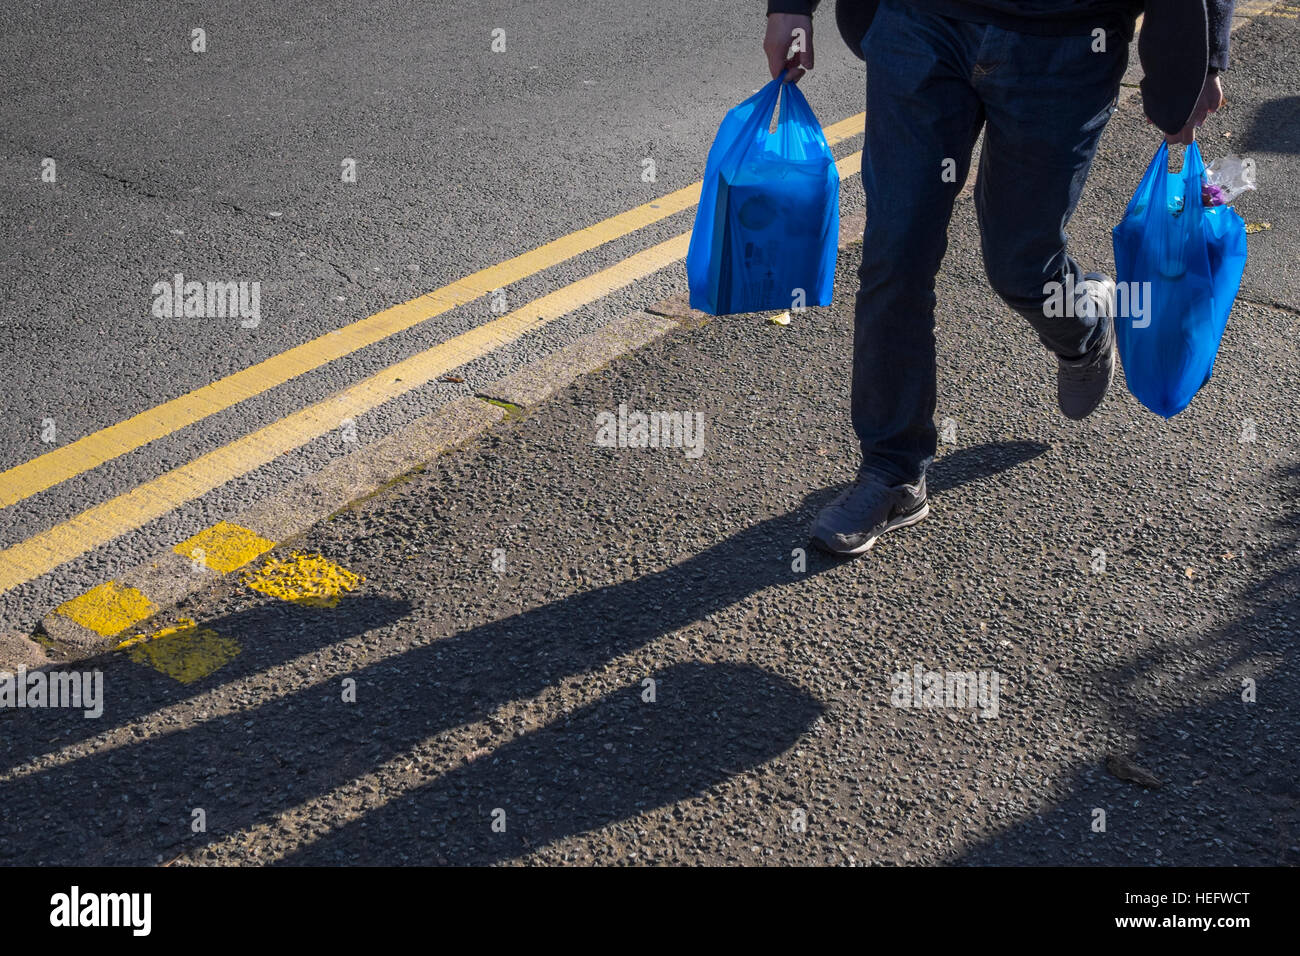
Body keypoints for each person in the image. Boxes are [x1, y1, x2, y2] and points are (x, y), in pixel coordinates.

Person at [762, 0, 1234, 556]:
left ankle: (1084, 326)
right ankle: (892, 471)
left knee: (1021, 263)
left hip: (1066, 40)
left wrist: (1204, 57)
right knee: (896, 251)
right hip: (922, 23)